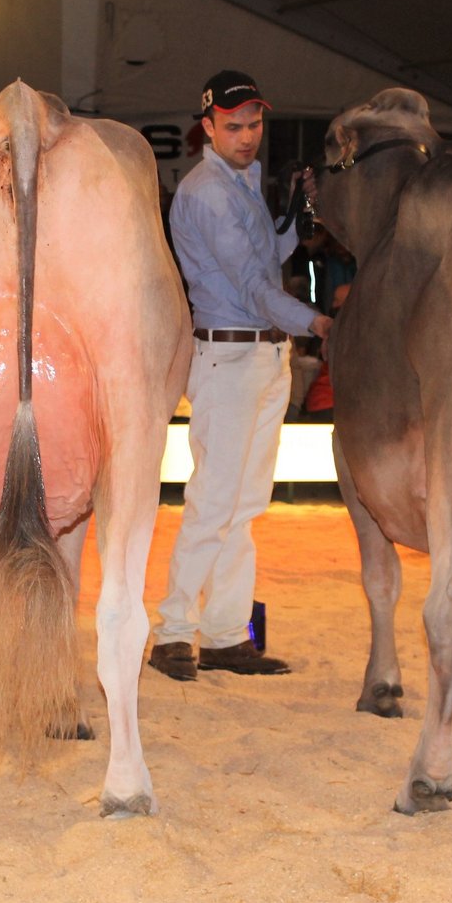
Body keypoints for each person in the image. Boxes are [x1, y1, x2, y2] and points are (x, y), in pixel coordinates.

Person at [149, 70, 333, 681]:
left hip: (260, 356)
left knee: (244, 504)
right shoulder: (205, 191)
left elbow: (268, 258)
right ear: (207, 128)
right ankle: (173, 631)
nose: (248, 135)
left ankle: (226, 634)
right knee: (213, 503)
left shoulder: (242, 180)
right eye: (234, 126)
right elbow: (256, 289)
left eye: (255, 124)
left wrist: (291, 212)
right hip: (229, 355)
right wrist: (321, 324)